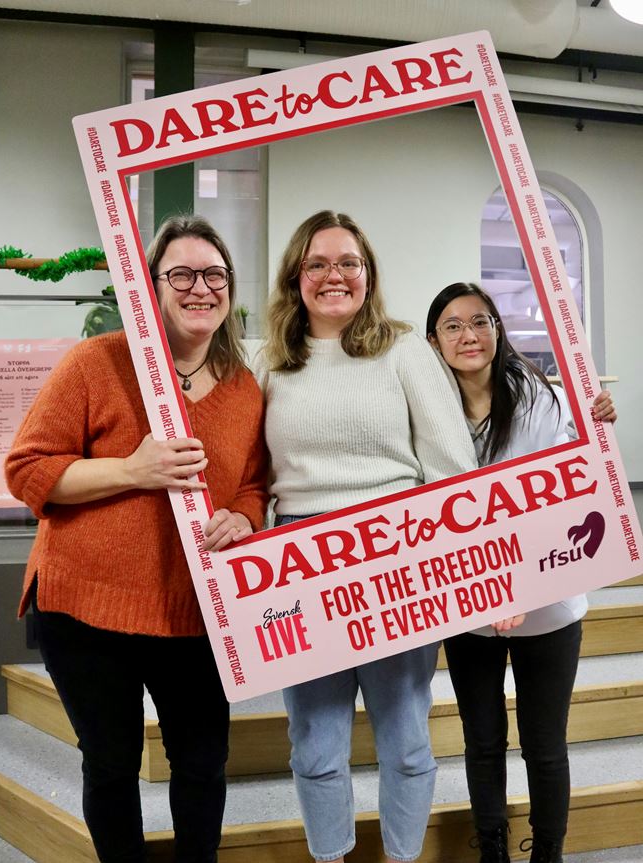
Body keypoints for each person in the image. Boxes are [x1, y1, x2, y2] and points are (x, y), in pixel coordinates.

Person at [5, 214, 269, 863]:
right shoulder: (96, 362)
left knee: (203, 763)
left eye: (214, 274)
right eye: (181, 274)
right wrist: (132, 470)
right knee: (112, 763)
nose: (200, 288)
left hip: (194, 611)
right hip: (86, 609)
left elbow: (254, 483)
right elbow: (27, 468)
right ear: (150, 285)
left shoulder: (244, 387)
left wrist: (245, 517)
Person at [254, 211, 478, 863]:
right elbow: (249, 472)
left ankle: (402, 857)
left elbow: (451, 465)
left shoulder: (404, 349)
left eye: (349, 262)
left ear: (368, 274)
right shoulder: (269, 360)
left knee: (405, 739)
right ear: (295, 276)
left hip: (396, 552)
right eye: (318, 263)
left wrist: (460, 565)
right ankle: (331, 856)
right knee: (314, 744)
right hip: (299, 561)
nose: (335, 275)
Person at [426, 282, 616, 863]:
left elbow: (560, 494)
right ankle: (493, 849)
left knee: (544, 744)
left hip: (549, 604)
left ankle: (547, 852)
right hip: (469, 607)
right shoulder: (426, 412)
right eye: (453, 325)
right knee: (482, 741)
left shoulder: (540, 399)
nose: (468, 335)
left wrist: (597, 423)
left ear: (498, 330)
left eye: (480, 321)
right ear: (434, 341)